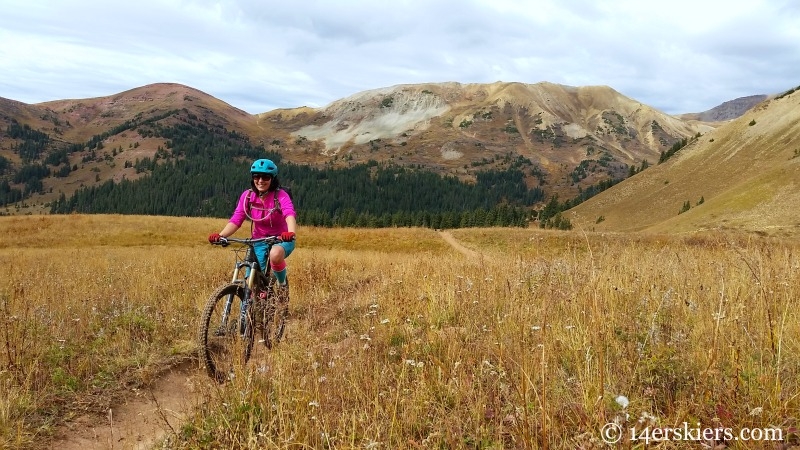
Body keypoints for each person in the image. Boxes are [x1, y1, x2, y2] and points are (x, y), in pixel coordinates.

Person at [208, 159, 297, 296]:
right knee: (251, 284)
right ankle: (253, 312)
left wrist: (290, 233)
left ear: (272, 179)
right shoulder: (248, 196)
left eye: (265, 177)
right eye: (256, 176)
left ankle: (282, 285)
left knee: (275, 254)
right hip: (258, 240)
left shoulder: (280, 195)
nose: (260, 180)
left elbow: (289, 214)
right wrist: (221, 236)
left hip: (281, 238)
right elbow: (237, 219)